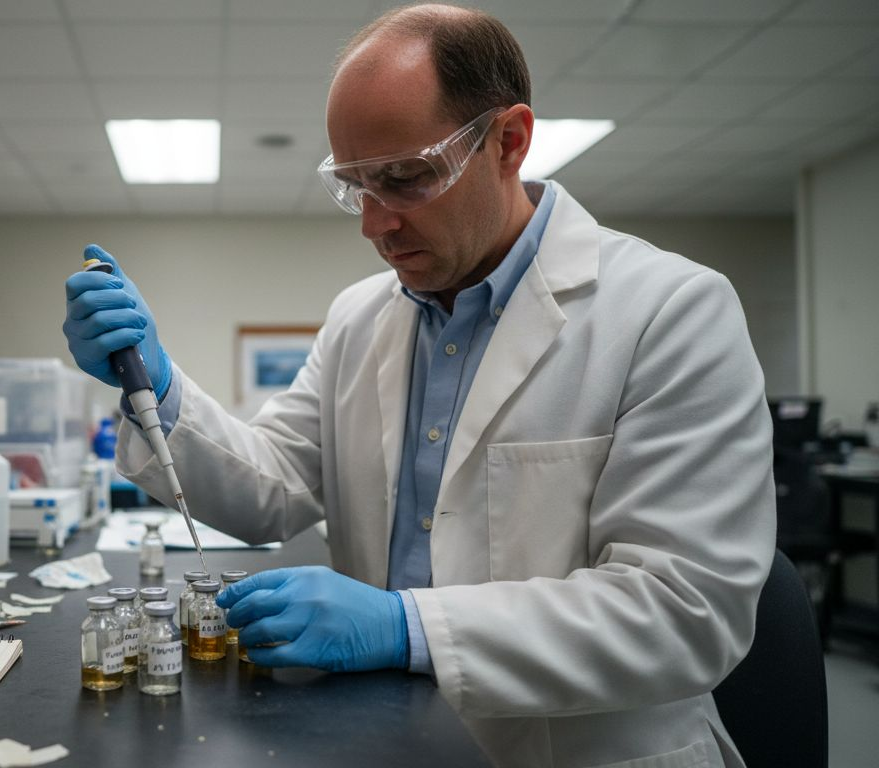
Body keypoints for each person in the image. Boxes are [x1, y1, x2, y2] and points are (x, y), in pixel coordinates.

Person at [62, 5, 774, 767]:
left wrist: (406, 626)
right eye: (354, 185)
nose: (374, 224)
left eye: (404, 178)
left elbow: (684, 612)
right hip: (385, 736)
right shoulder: (359, 319)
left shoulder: (669, 311)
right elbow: (270, 485)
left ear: (509, 141)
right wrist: (161, 389)